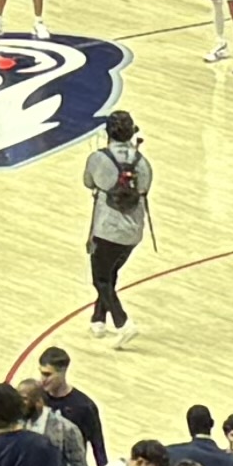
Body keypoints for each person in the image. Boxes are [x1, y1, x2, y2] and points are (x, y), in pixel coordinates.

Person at [80, 109, 153, 337]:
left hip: (106, 229)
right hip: (133, 232)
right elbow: (144, 188)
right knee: (110, 273)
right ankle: (98, 320)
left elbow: (87, 182)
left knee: (100, 279)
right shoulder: (143, 163)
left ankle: (123, 323)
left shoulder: (98, 158)